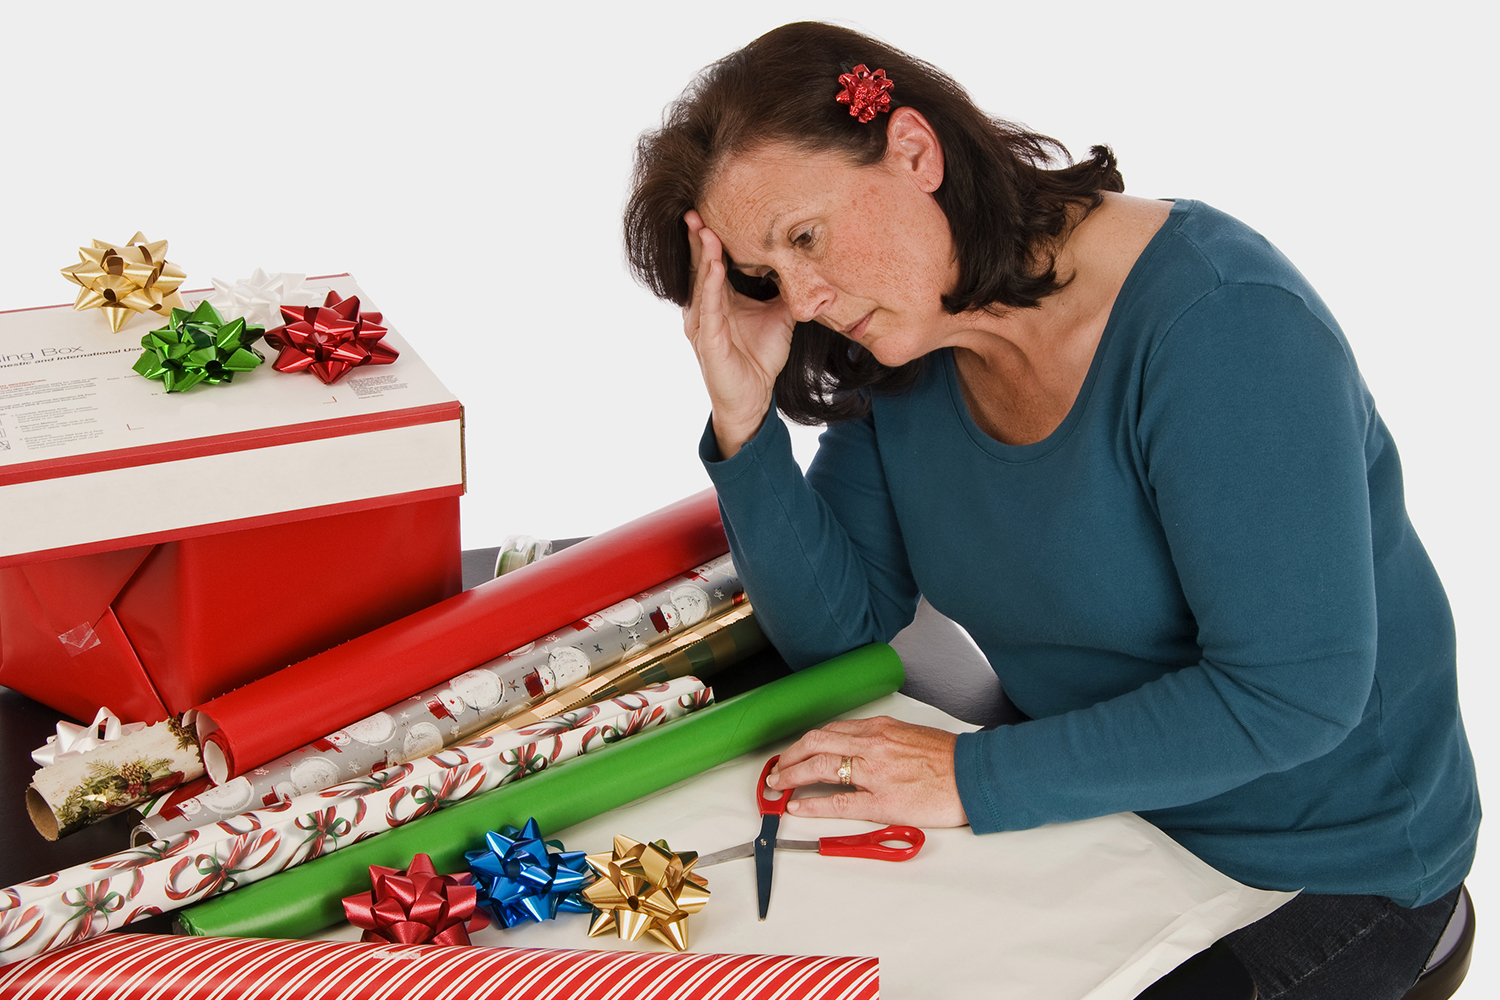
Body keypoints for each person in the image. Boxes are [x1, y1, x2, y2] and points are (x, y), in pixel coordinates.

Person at [623, 20, 1479, 1000]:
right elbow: (842, 633)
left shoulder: (1221, 321)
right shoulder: (909, 348)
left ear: (914, 152)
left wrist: (969, 776)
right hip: (1097, 818)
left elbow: (1292, 695)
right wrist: (745, 421)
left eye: (806, 238)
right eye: (767, 272)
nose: (804, 299)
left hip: (1317, 869)